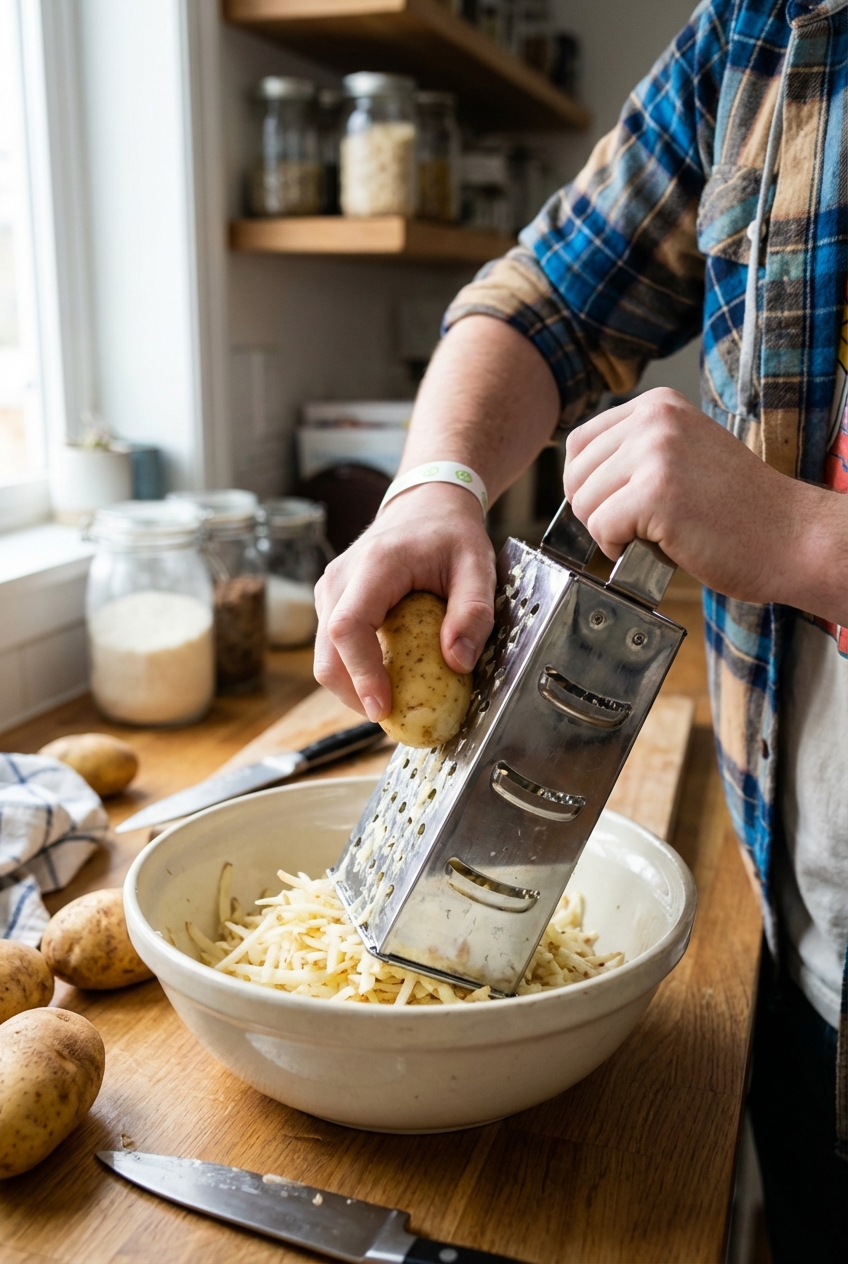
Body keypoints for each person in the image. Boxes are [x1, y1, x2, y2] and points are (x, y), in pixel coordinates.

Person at [313, 2, 848, 1257]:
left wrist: (804, 542)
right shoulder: (767, 32)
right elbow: (544, 296)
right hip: (798, 948)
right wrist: (434, 483)